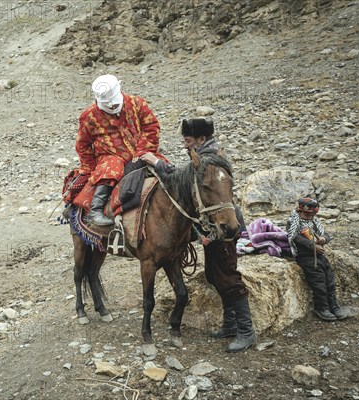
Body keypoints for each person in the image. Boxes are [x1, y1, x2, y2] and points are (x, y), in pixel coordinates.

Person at [141, 118, 257, 352]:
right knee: (215, 276)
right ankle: (231, 324)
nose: (185, 145)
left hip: (222, 229)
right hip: (214, 229)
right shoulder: (212, 157)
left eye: (188, 141)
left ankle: (246, 331)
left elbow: (179, 176)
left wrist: (157, 163)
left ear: (201, 140)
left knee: (228, 277)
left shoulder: (208, 162)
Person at [75, 74, 164, 226]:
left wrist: (142, 151)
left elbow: (151, 127)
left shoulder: (137, 104)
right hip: (109, 156)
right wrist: (91, 168)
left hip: (140, 151)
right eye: (108, 105)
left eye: (115, 104)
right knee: (111, 169)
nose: (112, 107)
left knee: (165, 168)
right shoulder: (88, 116)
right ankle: (96, 210)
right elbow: (82, 145)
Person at [287, 197, 348, 321]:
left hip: (319, 255)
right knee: (318, 281)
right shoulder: (294, 222)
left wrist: (323, 239)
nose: (310, 217)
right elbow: (295, 238)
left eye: (312, 215)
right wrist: (312, 246)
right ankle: (321, 307)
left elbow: (325, 234)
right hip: (305, 257)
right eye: (307, 214)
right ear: (299, 211)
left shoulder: (314, 221)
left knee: (329, 278)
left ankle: (334, 305)